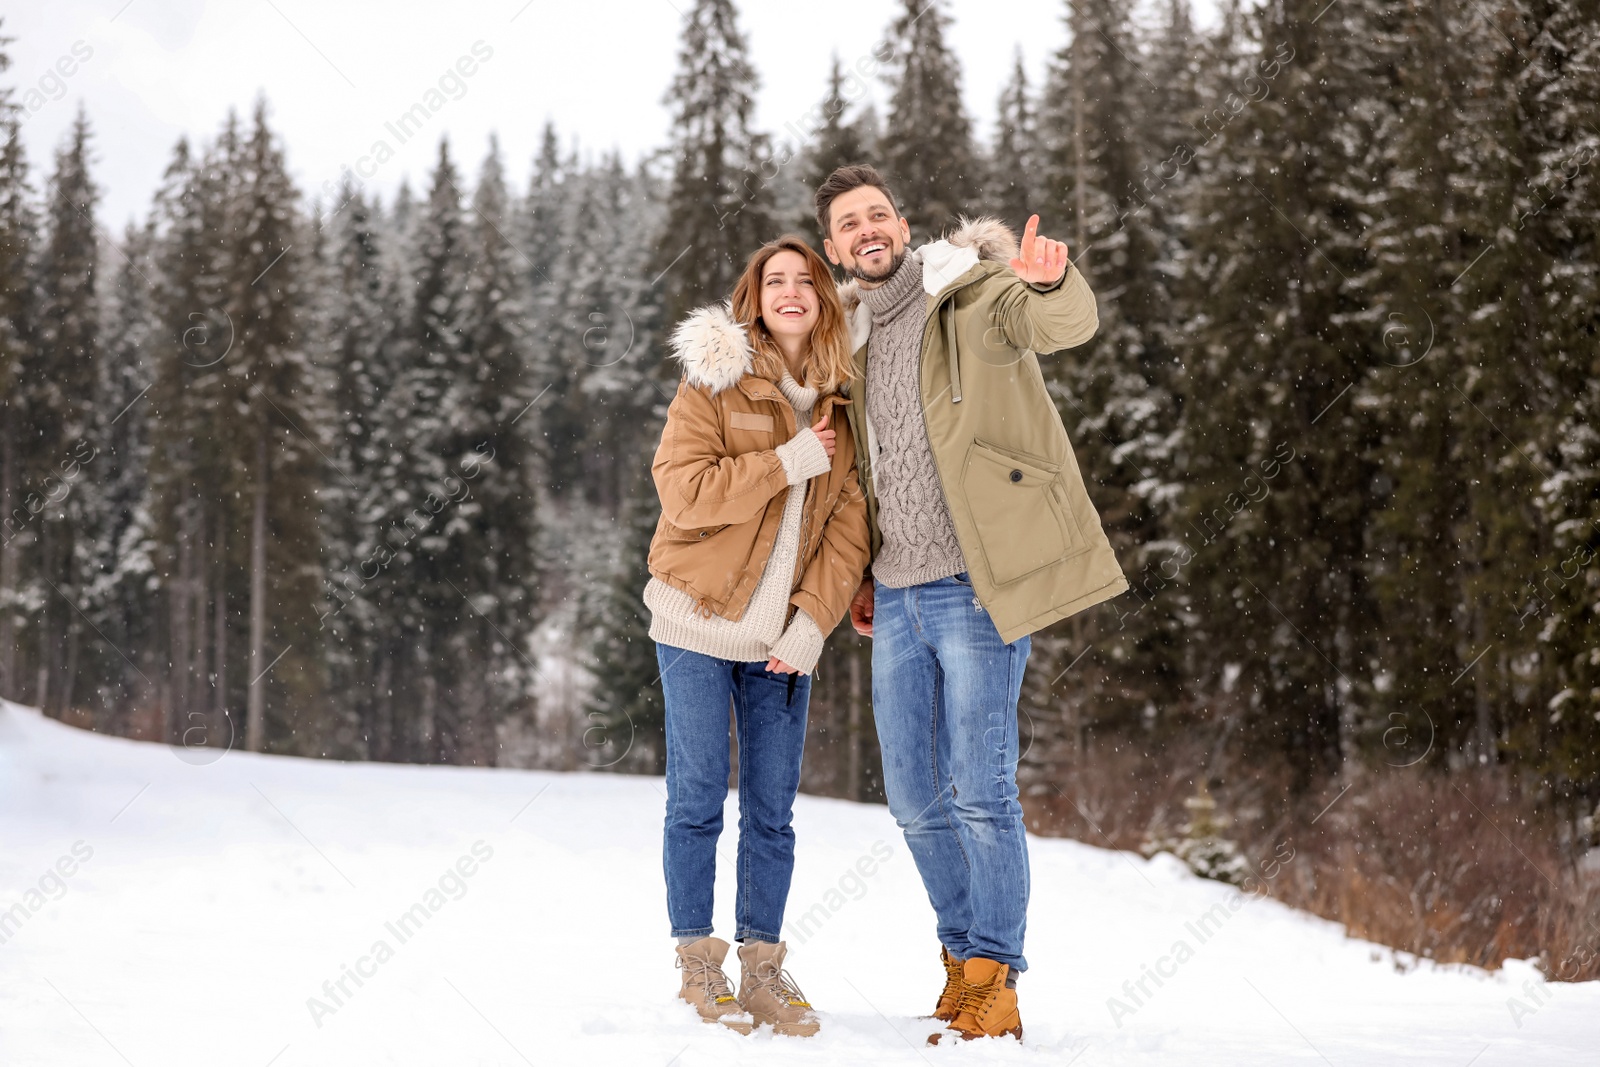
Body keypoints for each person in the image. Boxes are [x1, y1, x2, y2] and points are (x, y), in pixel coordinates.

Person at [814, 164, 1128, 1043]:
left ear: (903, 222)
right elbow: (871, 467)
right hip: (901, 595)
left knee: (981, 788)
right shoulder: (855, 334)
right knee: (914, 796)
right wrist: (868, 572)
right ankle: (961, 963)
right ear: (837, 247)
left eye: (878, 213)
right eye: (848, 224)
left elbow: (1063, 322)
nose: (867, 229)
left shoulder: (975, 290)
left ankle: (998, 974)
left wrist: (1052, 280)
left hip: (974, 586)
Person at [644, 235, 871, 1037]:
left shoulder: (846, 397)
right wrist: (786, 461)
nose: (790, 290)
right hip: (697, 622)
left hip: (782, 641)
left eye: (805, 279)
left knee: (772, 812)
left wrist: (812, 624)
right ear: (754, 296)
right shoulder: (716, 377)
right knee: (699, 797)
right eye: (774, 279)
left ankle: (764, 970)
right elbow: (684, 492)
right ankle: (698, 962)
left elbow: (850, 529)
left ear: (824, 298)